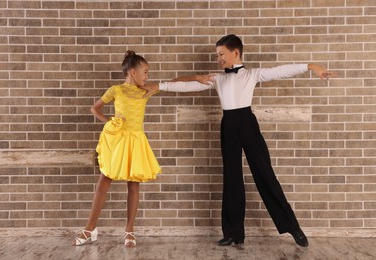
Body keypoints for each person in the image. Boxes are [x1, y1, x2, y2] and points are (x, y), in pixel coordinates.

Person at [141, 34, 338, 247]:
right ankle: (234, 233)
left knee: (265, 174)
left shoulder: (252, 74)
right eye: (217, 55)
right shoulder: (218, 78)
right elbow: (188, 86)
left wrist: (311, 66)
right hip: (228, 125)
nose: (218, 59)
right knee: (232, 178)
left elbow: (280, 70)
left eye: (221, 54)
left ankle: (293, 227)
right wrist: (158, 85)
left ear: (236, 53)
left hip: (247, 123)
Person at [73, 50, 161, 247]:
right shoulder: (116, 90)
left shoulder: (145, 90)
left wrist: (198, 77)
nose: (148, 76)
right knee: (103, 182)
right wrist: (109, 122)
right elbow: (95, 108)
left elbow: (173, 84)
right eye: (145, 72)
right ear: (132, 72)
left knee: (133, 184)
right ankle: (89, 229)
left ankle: (129, 231)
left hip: (136, 141)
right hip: (118, 141)